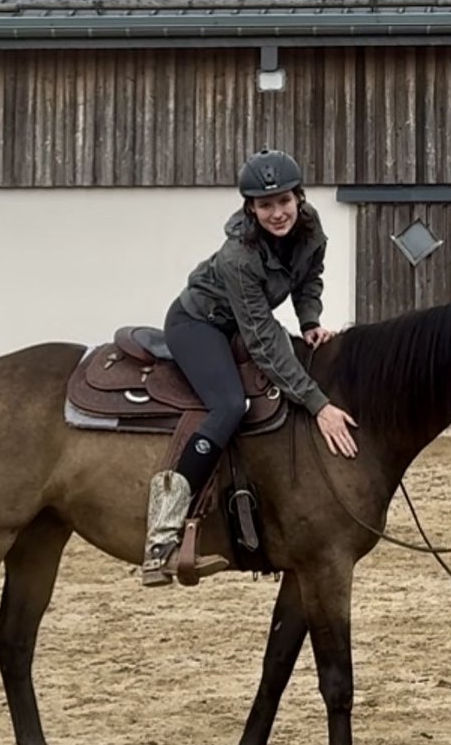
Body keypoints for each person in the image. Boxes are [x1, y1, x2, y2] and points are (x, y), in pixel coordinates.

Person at [141, 147, 359, 588]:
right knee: (229, 405)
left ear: (298, 197)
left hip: (244, 322)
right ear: (251, 209)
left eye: (283, 201)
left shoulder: (311, 228)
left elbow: (308, 277)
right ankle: (163, 532)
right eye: (265, 205)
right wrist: (319, 406)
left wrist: (310, 321)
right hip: (199, 324)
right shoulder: (238, 257)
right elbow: (262, 340)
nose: (277, 213)